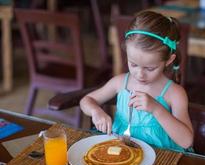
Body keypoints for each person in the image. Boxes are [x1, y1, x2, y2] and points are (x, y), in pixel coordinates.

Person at [80, 11, 194, 152]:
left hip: (161, 160)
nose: (139, 74)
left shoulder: (174, 93)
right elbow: (86, 100)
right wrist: (96, 111)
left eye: (150, 68)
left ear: (169, 60)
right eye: (133, 64)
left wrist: (156, 109)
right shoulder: (120, 82)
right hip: (122, 153)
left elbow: (186, 141)